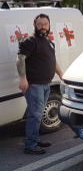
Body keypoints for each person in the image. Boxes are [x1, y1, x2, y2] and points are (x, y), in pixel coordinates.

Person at [17, 14, 63, 155]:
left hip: (45, 84)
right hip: (34, 85)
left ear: (49, 25)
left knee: (37, 114)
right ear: (34, 25)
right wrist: (23, 78)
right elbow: (20, 59)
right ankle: (30, 145)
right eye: (40, 24)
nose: (43, 27)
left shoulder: (49, 42)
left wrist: (61, 74)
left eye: (45, 24)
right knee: (35, 115)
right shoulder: (30, 40)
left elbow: (52, 61)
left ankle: (35, 139)